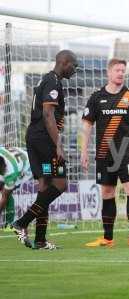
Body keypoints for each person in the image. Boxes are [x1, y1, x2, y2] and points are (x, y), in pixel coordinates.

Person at [12, 50, 78, 250]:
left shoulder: (45, 80)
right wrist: (58, 144)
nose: (75, 70)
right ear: (65, 62)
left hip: (34, 137)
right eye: (74, 66)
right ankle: (21, 222)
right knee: (60, 184)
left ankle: (40, 240)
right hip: (45, 140)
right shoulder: (53, 82)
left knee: (45, 185)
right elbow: (48, 114)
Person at [81, 58, 129, 248]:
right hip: (104, 154)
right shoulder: (96, 97)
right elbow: (86, 126)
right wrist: (83, 151)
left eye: (123, 70)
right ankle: (107, 238)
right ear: (109, 73)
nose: (120, 73)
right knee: (107, 192)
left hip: (126, 152)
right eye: (117, 70)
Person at [0, 147, 32, 230]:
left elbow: (4, 197)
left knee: (6, 193)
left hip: (26, 168)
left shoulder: (11, 174)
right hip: (15, 155)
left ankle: (10, 222)